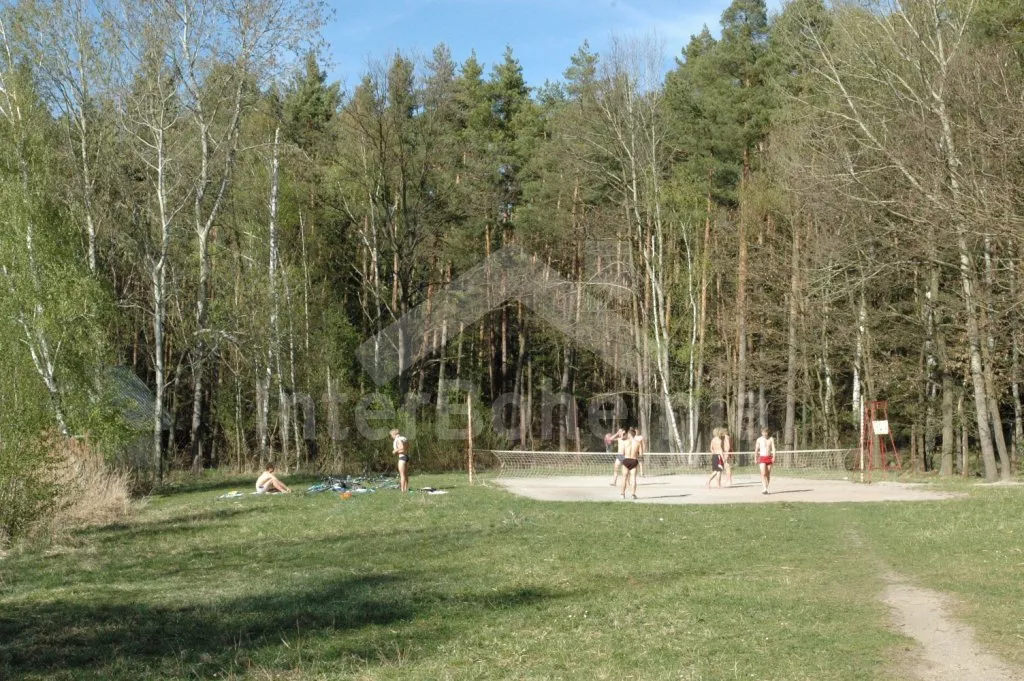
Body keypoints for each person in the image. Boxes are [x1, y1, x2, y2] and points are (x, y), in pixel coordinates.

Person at [620, 427, 643, 499]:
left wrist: (622, 462)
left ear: (629, 434)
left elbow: (621, 454)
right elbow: (641, 454)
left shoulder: (624, 442)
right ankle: (633, 494)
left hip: (626, 460)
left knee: (624, 478)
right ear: (634, 434)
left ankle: (622, 494)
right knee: (633, 478)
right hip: (634, 460)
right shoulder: (638, 443)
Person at [755, 427, 776, 495]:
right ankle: (764, 488)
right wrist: (755, 458)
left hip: (769, 457)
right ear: (761, 433)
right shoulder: (759, 440)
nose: (765, 434)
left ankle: (766, 488)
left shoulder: (771, 439)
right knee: (763, 473)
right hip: (762, 457)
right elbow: (756, 450)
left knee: (768, 473)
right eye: (763, 432)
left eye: (766, 432)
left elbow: (773, 448)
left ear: (767, 432)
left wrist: (774, 457)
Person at [391, 428, 410, 493]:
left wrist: (395, 451)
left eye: (391, 435)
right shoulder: (404, 439)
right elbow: (408, 446)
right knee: (406, 474)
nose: (391, 437)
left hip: (402, 458)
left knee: (402, 475)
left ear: (394, 434)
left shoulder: (398, 439)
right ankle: (406, 489)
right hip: (406, 457)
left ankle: (402, 490)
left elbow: (401, 447)